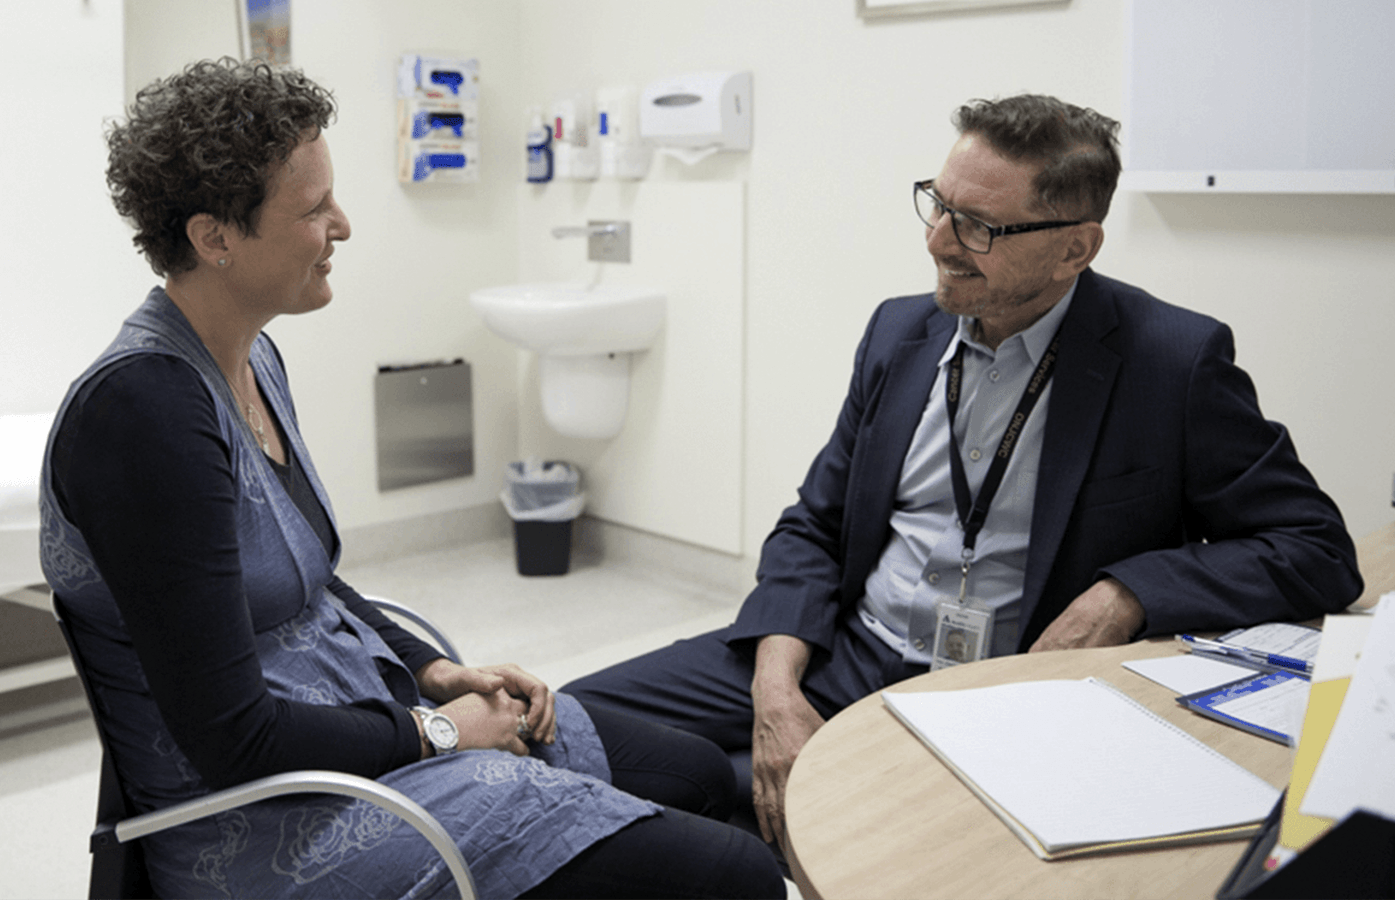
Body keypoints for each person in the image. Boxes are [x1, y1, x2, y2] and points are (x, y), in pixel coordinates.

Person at [40, 58, 784, 900]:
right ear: (215, 238)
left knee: (694, 772)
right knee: (740, 875)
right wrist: (439, 731)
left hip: (364, 723)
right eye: (313, 209)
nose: (344, 225)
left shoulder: (253, 360)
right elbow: (233, 740)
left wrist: (434, 671)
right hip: (274, 821)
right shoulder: (144, 413)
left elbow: (309, 582)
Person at [564, 93, 1364, 851]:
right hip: (849, 649)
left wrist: (1122, 595)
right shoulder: (898, 332)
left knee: (858, 831)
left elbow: (1314, 548)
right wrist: (776, 692)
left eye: (978, 226)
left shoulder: (1172, 360)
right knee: (562, 726)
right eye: (938, 204)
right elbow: (816, 522)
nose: (939, 241)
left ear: (1075, 249)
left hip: (1002, 687)